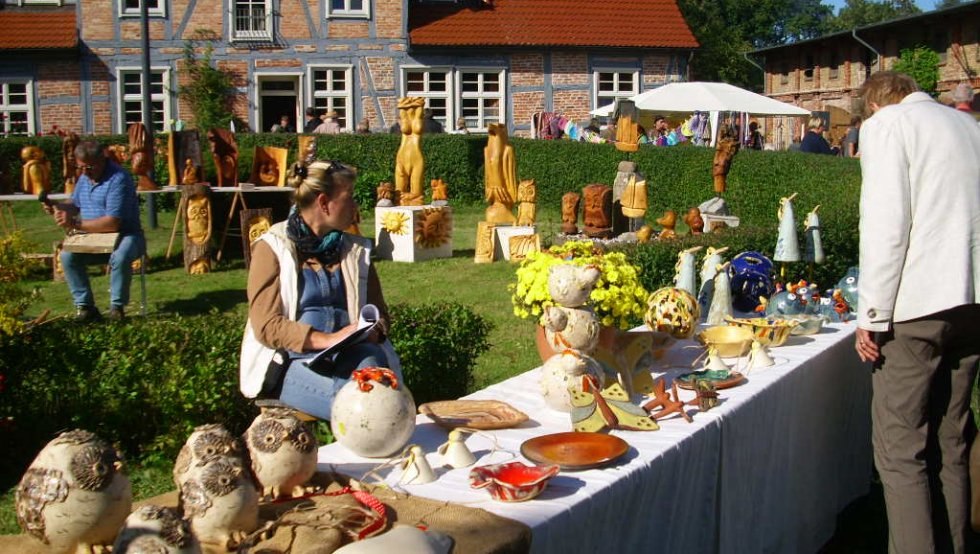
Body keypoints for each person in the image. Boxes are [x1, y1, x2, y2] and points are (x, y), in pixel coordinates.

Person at [854, 71, 980, 554]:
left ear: (875, 103)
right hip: (972, 302)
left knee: (900, 452)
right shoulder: (967, 126)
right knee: (951, 439)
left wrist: (872, 313)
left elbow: (887, 223)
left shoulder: (889, 125)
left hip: (919, 304)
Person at [240, 160, 398, 420]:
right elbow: (266, 326)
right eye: (350, 198)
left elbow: (381, 315)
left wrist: (375, 330)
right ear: (324, 203)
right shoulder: (272, 247)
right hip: (291, 361)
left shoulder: (357, 250)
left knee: (379, 394)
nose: (356, 207)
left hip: (353, 354)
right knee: (365, 413)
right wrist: (328, 340)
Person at [45, 140, 144, 321]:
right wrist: (58, 207)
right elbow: (75, 204)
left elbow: (112, 223)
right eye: (80, 167)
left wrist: (74, 224)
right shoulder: (84, 178)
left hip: (126, 236)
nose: (84, 172)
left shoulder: (119, 179)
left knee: (120, 256)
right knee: (67, 256)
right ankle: (86, 307)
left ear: (102, 160)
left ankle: (117, 308)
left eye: (89, 167)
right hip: (94, 239)